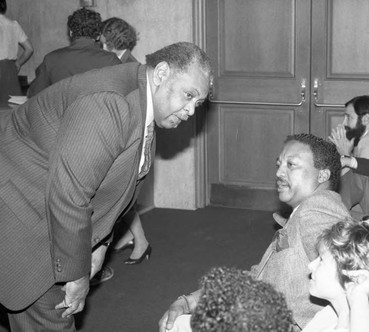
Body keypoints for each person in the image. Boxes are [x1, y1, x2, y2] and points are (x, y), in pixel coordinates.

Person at [0, 41, 212, 331]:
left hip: (41, 207)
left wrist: (100, 242)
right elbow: (70, 195)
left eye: (197, 104)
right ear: (162, 72)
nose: (190, 111)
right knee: (51, 317)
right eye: (189, 96)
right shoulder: (110, 102)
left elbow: (113, 188)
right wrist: (76, 275)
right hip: (18, 210)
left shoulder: (141, 100)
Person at [159, 134, 352, 331]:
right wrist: (189, 301)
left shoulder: (318, 208)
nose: (279, 173)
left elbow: (348, 277)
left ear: (322, 175)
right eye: (279, 164)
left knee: (175, 327)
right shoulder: (304, 211)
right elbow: (257, 277)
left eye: (291, 165)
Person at [99, 16, 151, 264]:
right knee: (123, 193)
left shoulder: (128, 66)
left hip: (131, 137)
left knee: (123, 193)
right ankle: (136, 237)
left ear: (108, 38)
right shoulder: (123, 61)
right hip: (125, 135)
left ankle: (141, 242)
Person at [303, 221, 369, 332]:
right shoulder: (328, 315)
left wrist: (359, 295)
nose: (310, 266)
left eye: (321, 260)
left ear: (352, 276)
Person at [27, 7, 121, 98]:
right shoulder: (110, 60)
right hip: (97, 113)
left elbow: (33, 94)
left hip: (60, 113)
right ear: (98, 36)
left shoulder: (51, 59)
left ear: (71, 32)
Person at [168, 266, 295, 332]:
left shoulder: (308, 221)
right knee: (176, 325)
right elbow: (257, 274)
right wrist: (190, 301)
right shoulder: (295, 218)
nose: (312, 266)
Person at [0, 0, 33, 105]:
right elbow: (29, 49)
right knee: (11, 108)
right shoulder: (13, 24)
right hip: (9, 70)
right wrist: (18, 63)